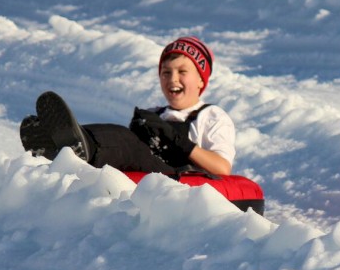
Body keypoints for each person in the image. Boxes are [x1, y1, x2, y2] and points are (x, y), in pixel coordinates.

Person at [20, 36, 236, 176]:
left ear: (201, 80)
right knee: (123, 136)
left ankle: (78, 147)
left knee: (124, 140)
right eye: (166, 72)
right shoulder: (155, 114)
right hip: (146, 170)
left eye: (182, 71)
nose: (172, 79)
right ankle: (67, 141)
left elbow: (222, 168)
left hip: (178, 176)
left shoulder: (211, 116)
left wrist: (178, 141)